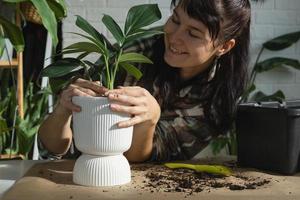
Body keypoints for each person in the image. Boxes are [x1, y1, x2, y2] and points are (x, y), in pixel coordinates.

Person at [38, 0, 251, 162]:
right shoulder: (129, 57)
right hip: (78, 171)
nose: (174, 37)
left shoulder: (220, 98)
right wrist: (61, 111)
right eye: (175, 20)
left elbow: (148, 161)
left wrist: (149, 119)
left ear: (224, 46)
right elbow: (52, 149)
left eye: (193, 33)